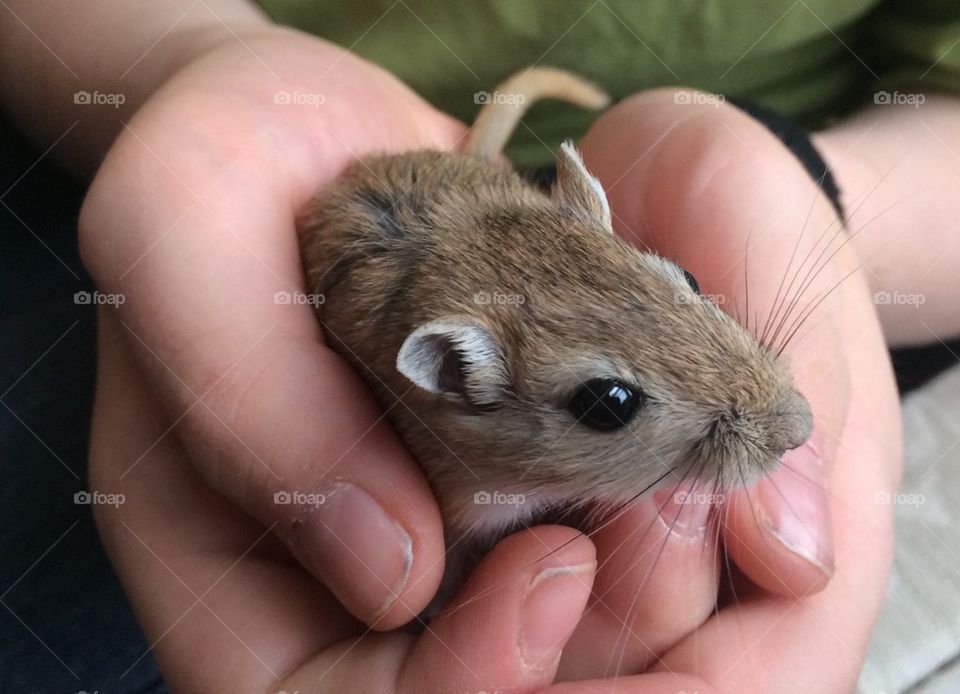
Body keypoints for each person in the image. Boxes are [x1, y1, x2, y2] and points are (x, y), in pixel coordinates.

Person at [1, 0, 957, 691]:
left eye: (684, 283)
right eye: (609, 402)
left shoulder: (566, 257)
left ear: (588, 212)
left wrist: (803, 180)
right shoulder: (454, 434)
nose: (784, 420)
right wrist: (192, 57)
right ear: (460, 377)